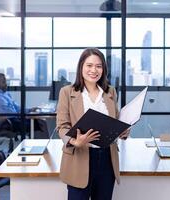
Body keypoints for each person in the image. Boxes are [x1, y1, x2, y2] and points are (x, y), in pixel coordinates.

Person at [56, 48, 129, 200]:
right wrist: (74, 141)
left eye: (98, 66)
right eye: (89, 65)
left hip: (107, 160)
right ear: (81, 67)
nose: (94, 70)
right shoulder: (67, 92)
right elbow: (62, 126)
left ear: (104, 69)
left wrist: (122, 131)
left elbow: (114, 121)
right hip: (79, 158)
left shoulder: (110, 92)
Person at [0, 73, 38, 137]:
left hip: (16, 119)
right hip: (6, 122)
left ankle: (36, 145)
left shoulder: (7, 94)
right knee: (34, 125)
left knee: (37, 122)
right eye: (3, 82)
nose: (6, 83)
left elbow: (17, 108)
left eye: (5, 81)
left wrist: (30, 110)